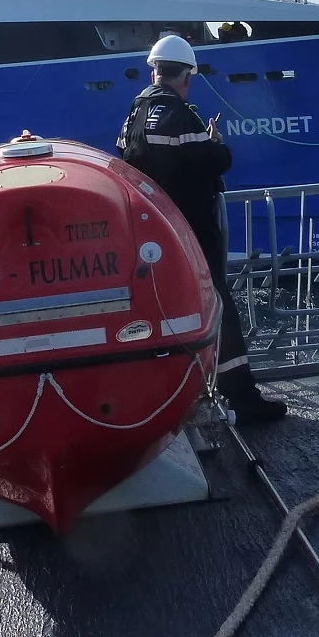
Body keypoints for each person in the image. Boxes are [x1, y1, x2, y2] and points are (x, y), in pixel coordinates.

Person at [118, 33, 288, 423]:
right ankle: (241, 396)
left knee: (164, 309)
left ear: (154, 71)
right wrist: (215, 142)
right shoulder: (181, 114)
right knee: (218, 306)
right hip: (191, 231)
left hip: (151, 232)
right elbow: (217, 160)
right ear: (186, 76)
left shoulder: (135, 113)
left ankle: (171, 393)